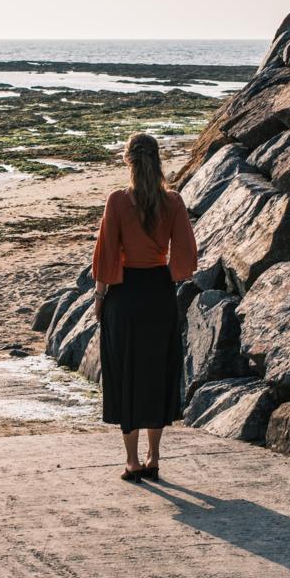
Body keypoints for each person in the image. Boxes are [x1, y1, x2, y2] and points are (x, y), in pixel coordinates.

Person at [91, 132, 198, 482]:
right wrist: (168, 274)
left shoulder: (119, 201)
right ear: (157, 160)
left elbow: (107, 253)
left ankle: (133, 461)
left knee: (126, 374)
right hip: (158, 291)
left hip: (125, 294)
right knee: (157, 372)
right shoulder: (174, 201)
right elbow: (185, 254)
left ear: (128, 161)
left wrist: (99, 297)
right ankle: (154, 457)